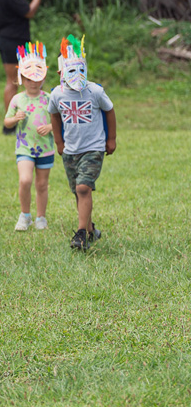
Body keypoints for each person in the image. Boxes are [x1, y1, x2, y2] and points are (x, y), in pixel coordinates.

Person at [49, 35, 117, 250]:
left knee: (83, 188)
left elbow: (109, 110)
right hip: (70, 150)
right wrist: (59, 141)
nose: (76, 75)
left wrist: (111, 138)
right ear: (60, 72)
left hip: (93, 148)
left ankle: (80, 236)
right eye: (70, 70)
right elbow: (54, 116)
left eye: (80, 69)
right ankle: (89, 230)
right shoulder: (57, 94)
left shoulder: (95, 91)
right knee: (78, 192)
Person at [2, 42, 54, 231]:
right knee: (25, 180)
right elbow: (6, 122)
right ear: (21, 77)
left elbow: (59, 122)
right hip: (24, 147)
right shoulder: (17, 99)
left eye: (37, 78)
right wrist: (15, 118)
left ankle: (41, 218)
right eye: (29, 78)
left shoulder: (49, 99)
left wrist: (50, 126)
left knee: (42, 184)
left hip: (45, 148)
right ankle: (25, 215)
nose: (34, 82)